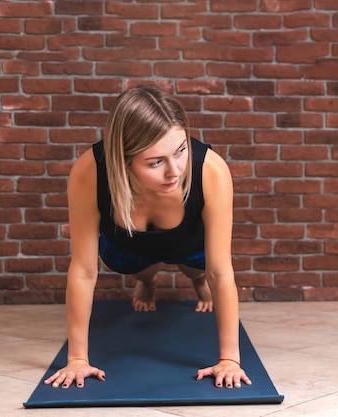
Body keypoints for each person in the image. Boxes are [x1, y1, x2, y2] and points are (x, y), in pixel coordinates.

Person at [44, 83, 251, 390]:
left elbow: (221, 272)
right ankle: (147, 280)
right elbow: (84, 270)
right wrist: (77, 359)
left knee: (201, 272)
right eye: (156, 162)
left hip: (190, 243)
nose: (175, 171)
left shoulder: (211, 171)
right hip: (129, 245)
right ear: (122, 160)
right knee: (138, 266)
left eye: (181, 151)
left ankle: (195, 282)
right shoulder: (91, 171)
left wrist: (229, 360)